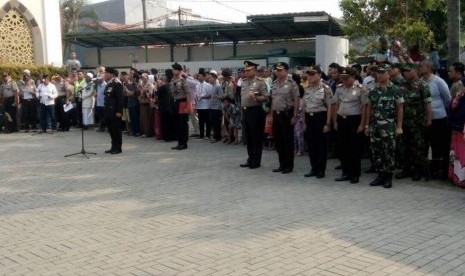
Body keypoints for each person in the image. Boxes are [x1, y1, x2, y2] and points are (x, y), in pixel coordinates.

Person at [366, 64, 404, 189]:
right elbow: (369, 108)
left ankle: (388, 177)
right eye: (378, 72)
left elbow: (400, 109)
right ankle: (380, 175)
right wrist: (367, 125)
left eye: (382, 72)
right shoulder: (373, 90)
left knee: (389, 151)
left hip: (388, 125)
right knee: (376, 151)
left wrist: (399, 126)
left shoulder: (395, 89)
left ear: (388, 74)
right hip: (375, 125)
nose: (380, 74)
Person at [395, 63, 432, 181]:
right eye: (404, 71)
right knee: (403, 147)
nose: (405, 73)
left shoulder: (422, 85)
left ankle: (418, 171)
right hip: (404, 122)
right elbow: (399, 105)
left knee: (417, 148)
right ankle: (406, 169)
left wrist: (429, 119)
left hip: (418, 123)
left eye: (408, 70)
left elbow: (427, 104)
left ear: (415, 71)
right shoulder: (401, 85)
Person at [334, 68, 368, 184]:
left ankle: (355, 174)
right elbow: (337, 104)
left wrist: (362, 124)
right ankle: (345, 172)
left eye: (346, 78)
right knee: (343, 147)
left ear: (353, 77)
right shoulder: (339, 89)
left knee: (354, 148)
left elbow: (364, 107)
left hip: (354, 120)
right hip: (342, 119)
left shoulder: (360, 89)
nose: (344, 80)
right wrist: (335, 121)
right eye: (342, 78)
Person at [419, 60, 452, 180]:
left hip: (438, 118)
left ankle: (439, 171)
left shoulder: (438, 81)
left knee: (438, 145)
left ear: (429, 67)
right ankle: (427, 170)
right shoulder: (421, 81)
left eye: (422, 66)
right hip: (424, 119)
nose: (420, 68)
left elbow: (448, 99)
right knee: (424, 145)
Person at [302, 66, 334, 178]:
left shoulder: (325, 88)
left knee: (321, 146)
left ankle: (321, 170)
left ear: (319, 75)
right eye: (308, 74)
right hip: (310, 118)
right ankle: (314, 168)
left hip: (321, 118)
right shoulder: (307, 88)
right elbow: (305, 107)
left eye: (312, 74)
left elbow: (330, 106)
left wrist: (328, 123)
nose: (309, 77)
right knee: (311, 145)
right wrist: (304, 122)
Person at [270, 62, 300, 174]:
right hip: (277, 114)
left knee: (287, 141)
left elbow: (296, 99)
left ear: (286, 71)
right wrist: (272, 115)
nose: (278, 72)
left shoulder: (292, 83)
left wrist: (295, 115)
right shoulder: (275, 83)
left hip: (287, 114)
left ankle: (289, 165)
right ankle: (281, 164)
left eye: (281, 70)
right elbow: (273, 99)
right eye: (277, 70)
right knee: (278, 141)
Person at [239, 61, 268, 169]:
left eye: (249, 70)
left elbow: (266, 97)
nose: (246, 72)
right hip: (246, 111)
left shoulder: (260, 82)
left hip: (255, 111)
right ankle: (250, 159)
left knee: (256, 137)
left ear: (255, 70)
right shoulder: (244, 82)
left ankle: (256, 160)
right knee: (249, 137)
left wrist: (256, 98)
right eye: (245, 70)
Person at [170, 63, 191, 150]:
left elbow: (188, 94)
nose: (173, 71)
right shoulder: (172, 80)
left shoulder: (183, 80)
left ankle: (184, 143)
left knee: (183, 124)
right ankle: (179, 142)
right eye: (173, 69)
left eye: (175, 69)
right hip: (175, 102)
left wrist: (188, 106)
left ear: (179, 71)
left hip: (182, 103)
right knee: (177, 123)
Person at [103, 67, 123, 154]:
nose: (105, 74)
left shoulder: (117, 84)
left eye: (107, 73)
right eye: (105, 73)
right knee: (111, 130)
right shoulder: (109, 84)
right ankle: (113, 146)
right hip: (108, 111)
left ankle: (118, 148)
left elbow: (120, 99)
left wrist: (119, 111)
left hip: (115, 111)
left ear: (112, 74)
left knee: (116, 130)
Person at [449, 86, 465, 187]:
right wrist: (457, 98)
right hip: (457, 130)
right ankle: (457, 178)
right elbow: (452, 108)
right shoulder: (460, 97)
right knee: (457, 155)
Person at [156, 70, 175, 142]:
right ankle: (172, 136)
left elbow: (157, 94)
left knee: (165, 123)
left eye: (164, 76)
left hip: (164, 107)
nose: (163, 77)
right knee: (170, 122)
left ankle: (167, 137)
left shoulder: (163, 87)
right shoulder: (171, 85)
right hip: (170, 107)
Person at [194, 68, 212, 140]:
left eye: (200, 76)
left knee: (207, 121)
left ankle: (207, 134)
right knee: (200, 121)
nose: (199, 78)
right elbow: (196, 94)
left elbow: (210, 95)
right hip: (199, 105)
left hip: (206, 106)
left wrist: (203, 97)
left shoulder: (208, 85)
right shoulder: (197, 85)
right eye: (198, 76)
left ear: (204, 77)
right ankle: (201, 134)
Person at [208, 70, 223, 143]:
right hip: (212, 107)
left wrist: (216, 96)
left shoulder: (218, 86)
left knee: (217, 123)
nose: (209, 79)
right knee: (213, 123)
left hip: (217, 107)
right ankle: (216, 136)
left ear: (214, 78)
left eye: (210, 78)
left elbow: (222, 96)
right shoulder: (212, 86)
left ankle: (217, 137)